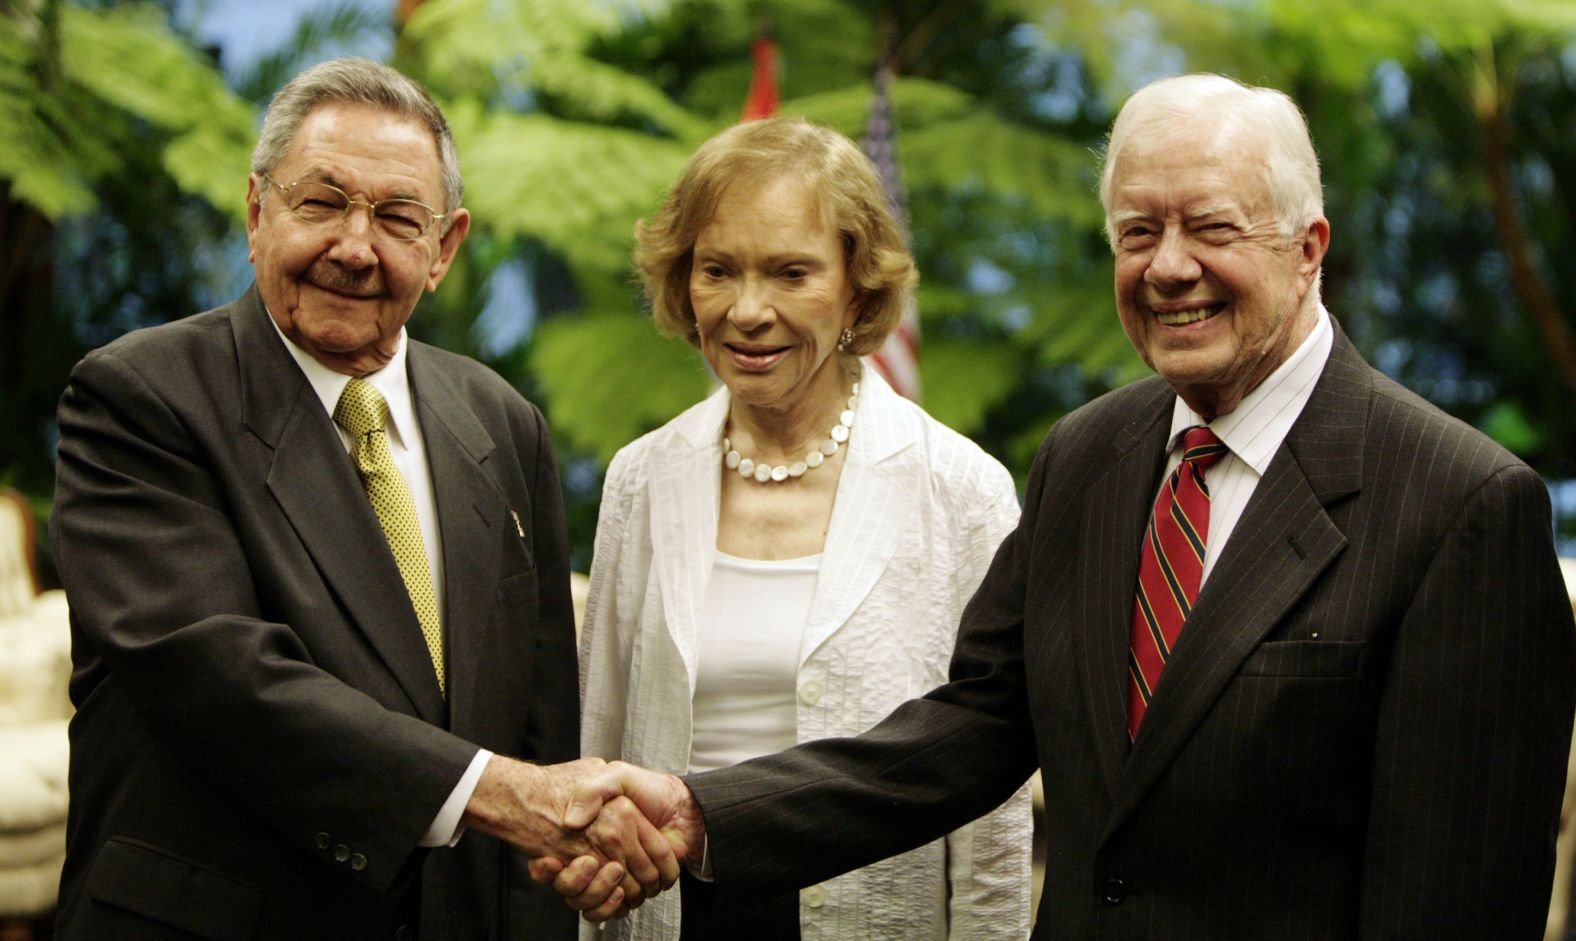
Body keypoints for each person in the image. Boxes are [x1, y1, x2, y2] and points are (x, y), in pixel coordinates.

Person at [551, 73, 1576, 939]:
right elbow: (973, 730)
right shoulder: (1089, 457)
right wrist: (698, 812)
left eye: (1209, 227)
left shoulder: (1463, 507)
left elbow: (1457, 898)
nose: (1168, 265)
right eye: (1138, 231)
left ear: (1307, 246)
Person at [49, 57, 675, 941]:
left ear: (445, 248)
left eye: (395, 217)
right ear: (257, 210)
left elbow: (538, 723)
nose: (354, 245)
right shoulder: (141, 398)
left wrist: (557, 854)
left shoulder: (501, 422)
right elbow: (223, 678)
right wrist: (509, 795)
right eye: (321, 202)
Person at [575, 116, 1032, 940]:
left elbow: (991, 812)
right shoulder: (640, 480)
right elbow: (599, 748)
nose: (750, 311)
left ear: (857, 287)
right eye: (718, 270)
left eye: (792, 273)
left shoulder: (961, 490)